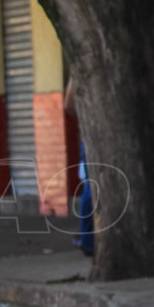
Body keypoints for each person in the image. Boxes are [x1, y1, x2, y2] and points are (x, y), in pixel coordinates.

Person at [64, 79, 94, 257]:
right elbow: (69, 104)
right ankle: (89, 241)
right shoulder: (82, 68)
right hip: (92, 135)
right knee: (91, 188)